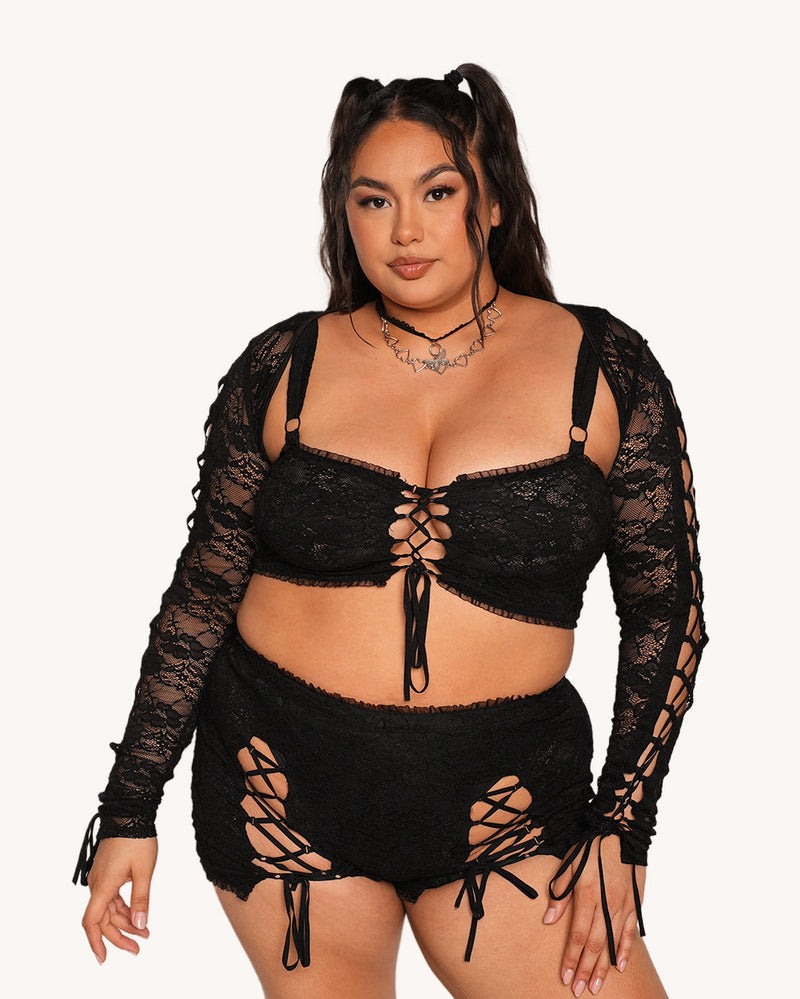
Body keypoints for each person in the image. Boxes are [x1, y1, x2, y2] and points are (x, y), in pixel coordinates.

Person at [74, 64, 707, 998]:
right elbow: (203, 594)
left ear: (493, 201)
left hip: (507, 803)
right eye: (374, 200)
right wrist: (130, 806)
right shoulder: (283, 366)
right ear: (346, 215)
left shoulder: (604, 367)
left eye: (438, 193)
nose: (405, 230)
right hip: (280, 782)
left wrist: (623, 822)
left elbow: (667, 615)